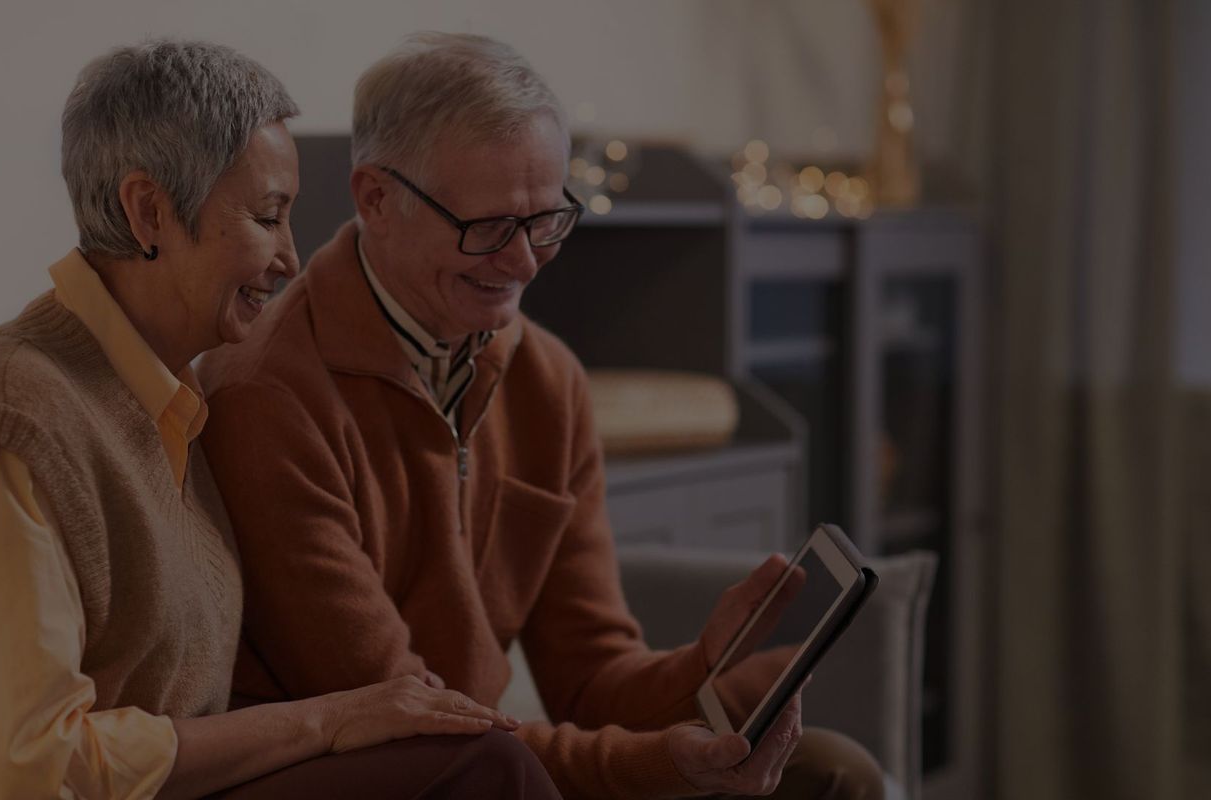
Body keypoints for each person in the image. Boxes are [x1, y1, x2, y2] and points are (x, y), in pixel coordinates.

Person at [198, 32, 886, 799]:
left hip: (488, 756)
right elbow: (415, 718)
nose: (525, 263)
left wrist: (710, 670)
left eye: (548, 219)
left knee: (834, 773)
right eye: (488, 228)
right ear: (375, 198)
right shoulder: (267, 397)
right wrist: (659, 765)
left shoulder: (548, 379)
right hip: (371, 770)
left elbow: (590, 678)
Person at [0, 39, 559, 800]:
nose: (291, 258)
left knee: (477, 764)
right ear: (149, 212)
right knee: (483, 770)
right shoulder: (18, 423)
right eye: (268, 217)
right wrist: (321, 722)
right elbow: (25, 765)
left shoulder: (162, 398)